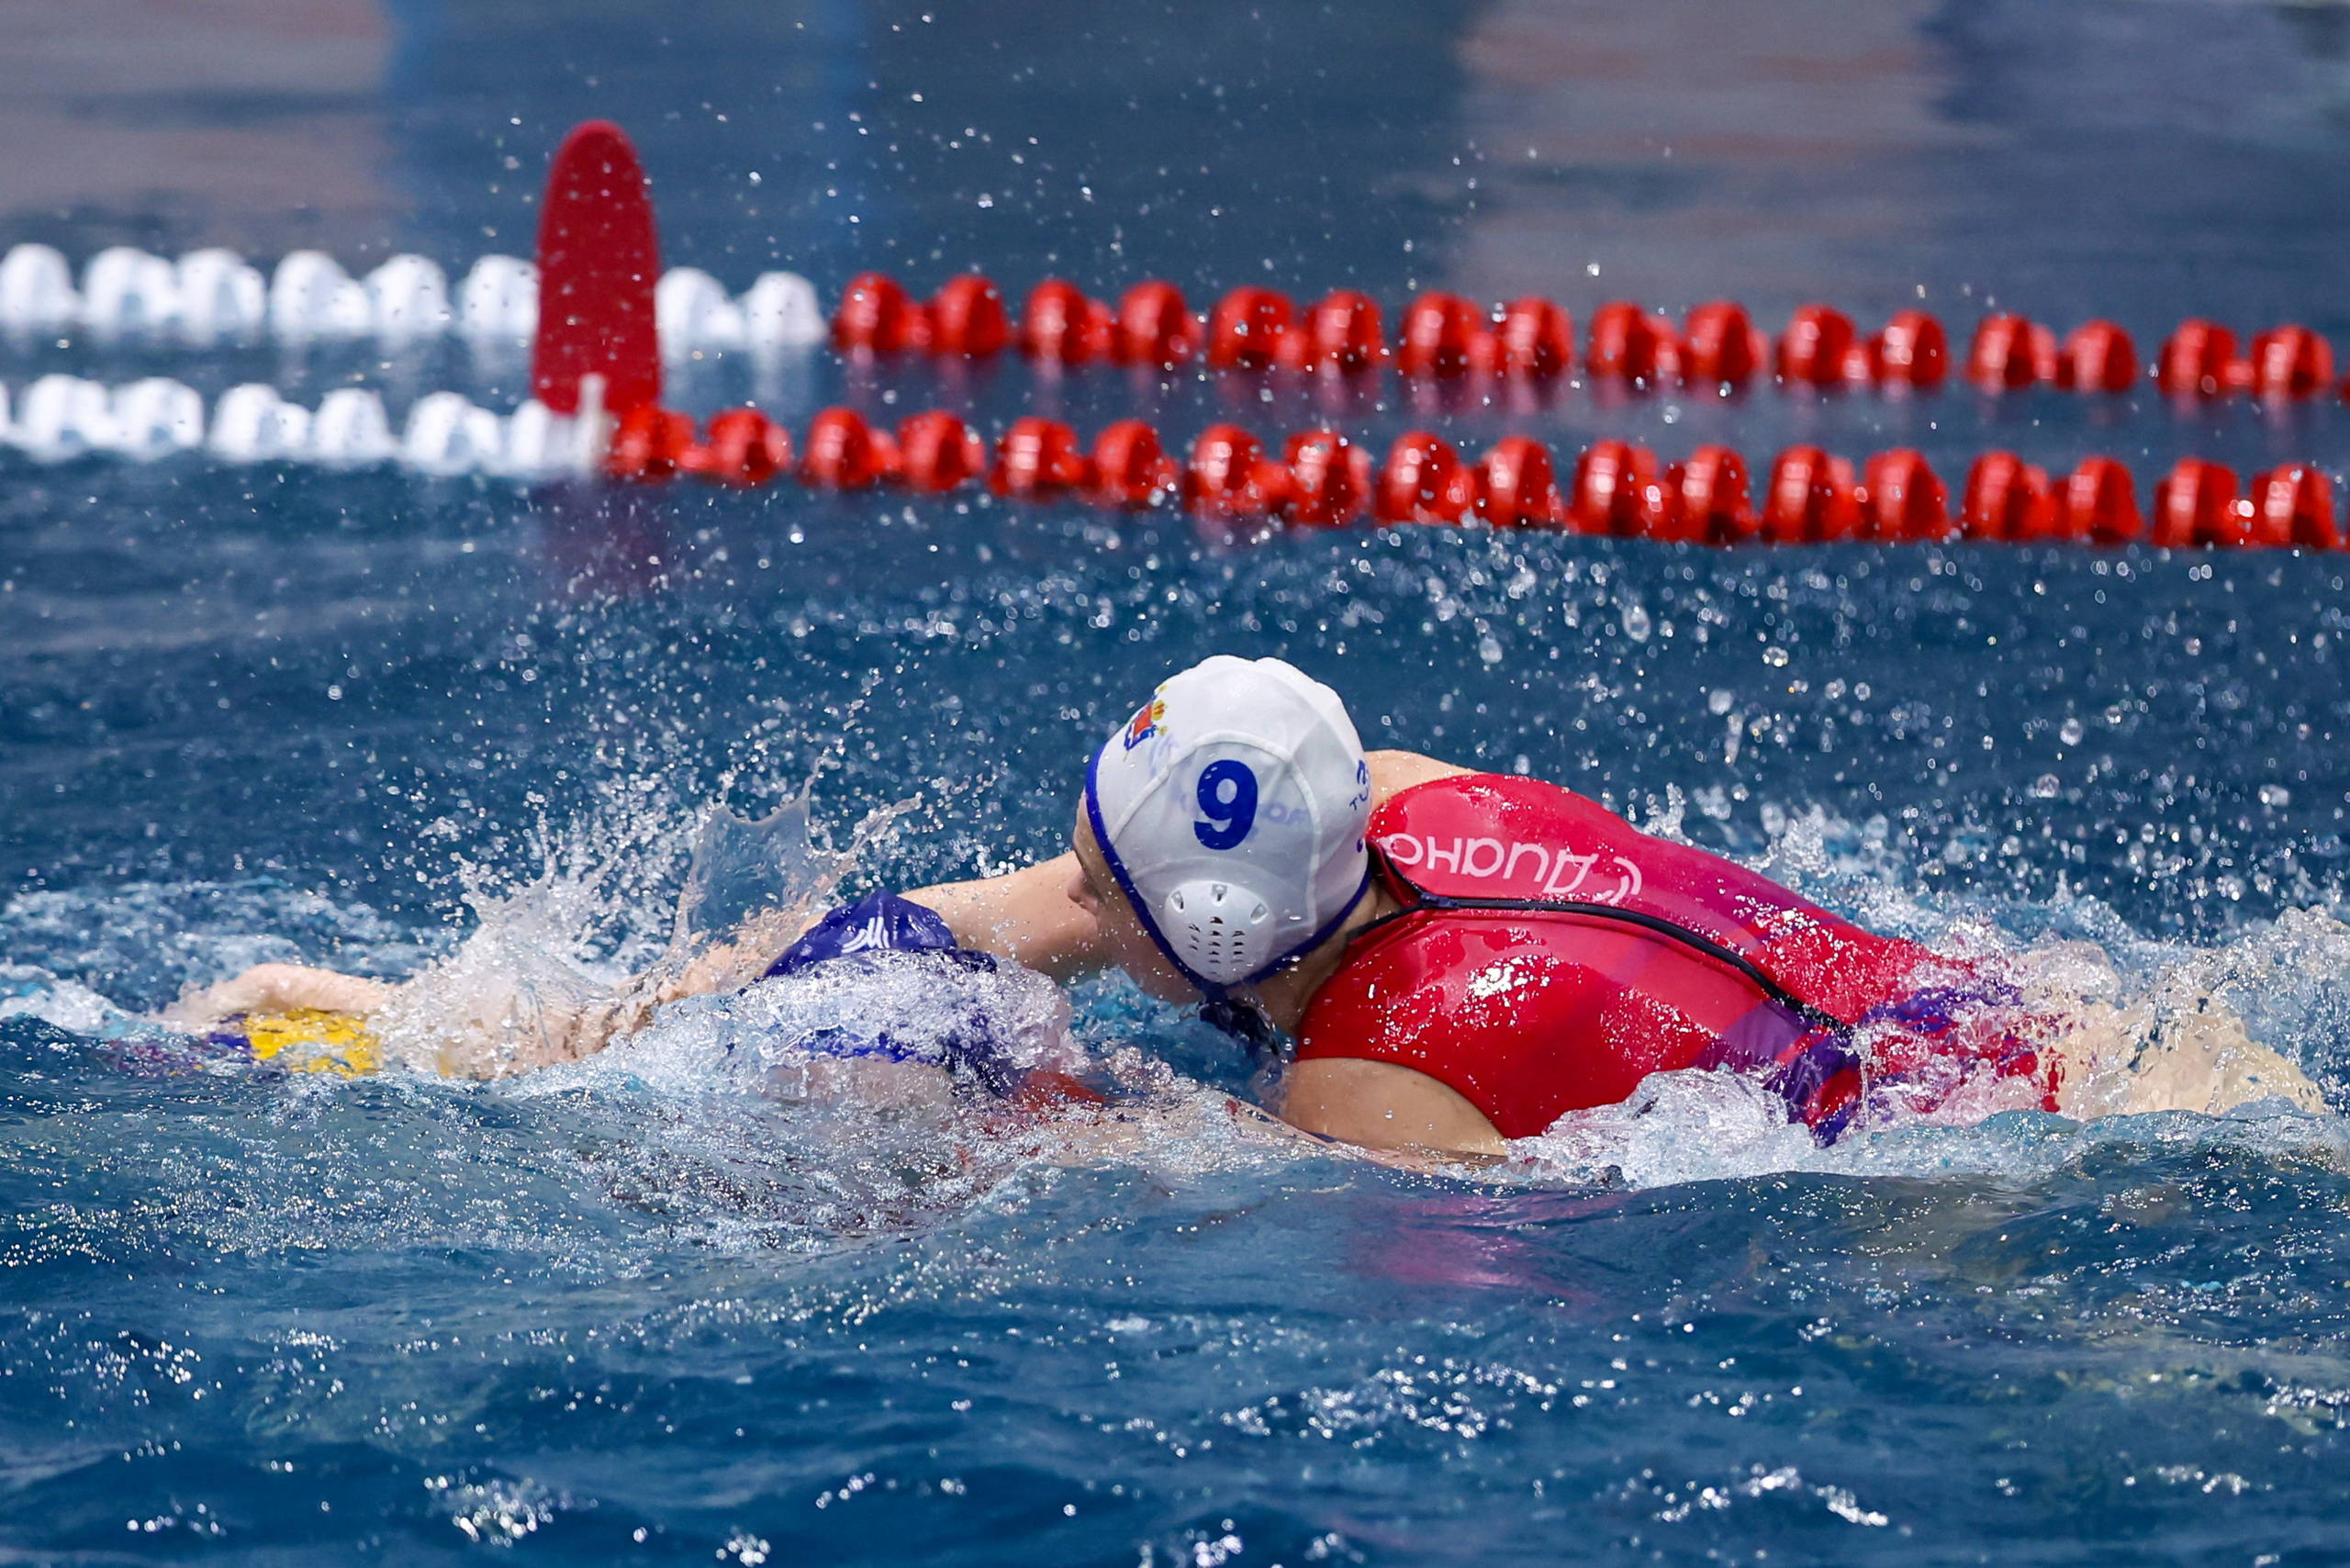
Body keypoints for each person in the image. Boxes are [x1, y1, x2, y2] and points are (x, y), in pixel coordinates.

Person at [173, 655, 2327, 1157]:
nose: (1069, 899)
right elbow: (974, 920)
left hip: (2050, 1144)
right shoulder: (1377, 793)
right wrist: (465, 1025)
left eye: (1114, 900)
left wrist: (1022, 1135)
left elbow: (1204, 1201)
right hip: (2093, 1012)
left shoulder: (1396, 1065)